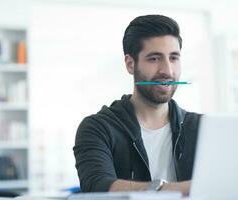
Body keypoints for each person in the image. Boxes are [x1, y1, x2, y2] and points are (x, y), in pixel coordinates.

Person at [73, 14, 201, 196]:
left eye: (173, 58)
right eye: (154, 58)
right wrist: (171, 190)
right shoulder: (97, 128)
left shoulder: (201, 127)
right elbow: (97, 187)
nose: (167, 71)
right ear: (130, 64)